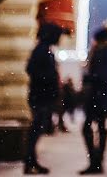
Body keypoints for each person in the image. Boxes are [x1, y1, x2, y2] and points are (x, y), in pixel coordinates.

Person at [24, 22, 65, 175]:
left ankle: (31, 161)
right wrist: (50, 80)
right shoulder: (42, 50)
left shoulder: (43, 49)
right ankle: (29, 161)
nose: (60, 39)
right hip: (40, 97)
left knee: (37, 129)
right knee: (35, 129)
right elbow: (33, 70)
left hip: (40, 96)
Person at [79, 24, 107, 175]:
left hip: (97, 96)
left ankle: (95, 161)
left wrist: (87, 77)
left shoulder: (102, 52)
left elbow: (102, 77)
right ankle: (97, 161)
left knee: (89, 127)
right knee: (100, 127)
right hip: (103, 96)